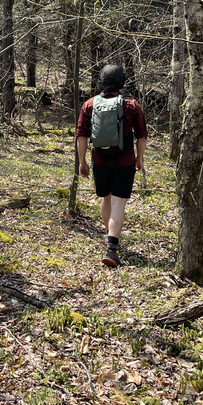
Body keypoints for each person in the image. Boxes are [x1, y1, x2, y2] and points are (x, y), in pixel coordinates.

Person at [76, 64, 148, 267]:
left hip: (99, 160)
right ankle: (112, 249)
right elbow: (141, 136)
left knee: (106, 199)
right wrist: (139, 159)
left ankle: (110, 239)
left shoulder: (89, 104)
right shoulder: (131, 104)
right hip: (125, 161)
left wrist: (82, 163)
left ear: (102, 82)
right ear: (121, 82)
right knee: (119, 203)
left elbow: (81, 136)